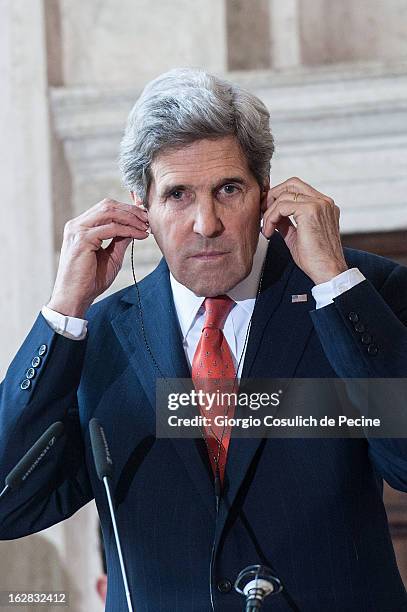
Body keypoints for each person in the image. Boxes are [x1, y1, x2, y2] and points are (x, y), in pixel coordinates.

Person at [0, 67, 407, 611]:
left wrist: (334, 282)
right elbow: (9, 505)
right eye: (178, 195)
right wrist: (63, 314)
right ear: (140, 209)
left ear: (265, 192)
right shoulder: (95, 336)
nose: (205, 223)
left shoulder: (361, 292)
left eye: (228, 189)